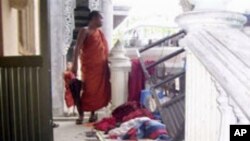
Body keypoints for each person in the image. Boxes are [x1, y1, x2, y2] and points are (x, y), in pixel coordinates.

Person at [72, 11, 111, 124]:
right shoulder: (85, 31)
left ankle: (93, 114)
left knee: (97, 91)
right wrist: (74, 64)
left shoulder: (99, 33)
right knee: (87, 89)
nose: (102, 21)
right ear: (94, 18)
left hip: (100, 68)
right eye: (100, 18)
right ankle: (81, 114)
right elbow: (77, 48)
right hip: (89, 67)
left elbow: (104, 49)